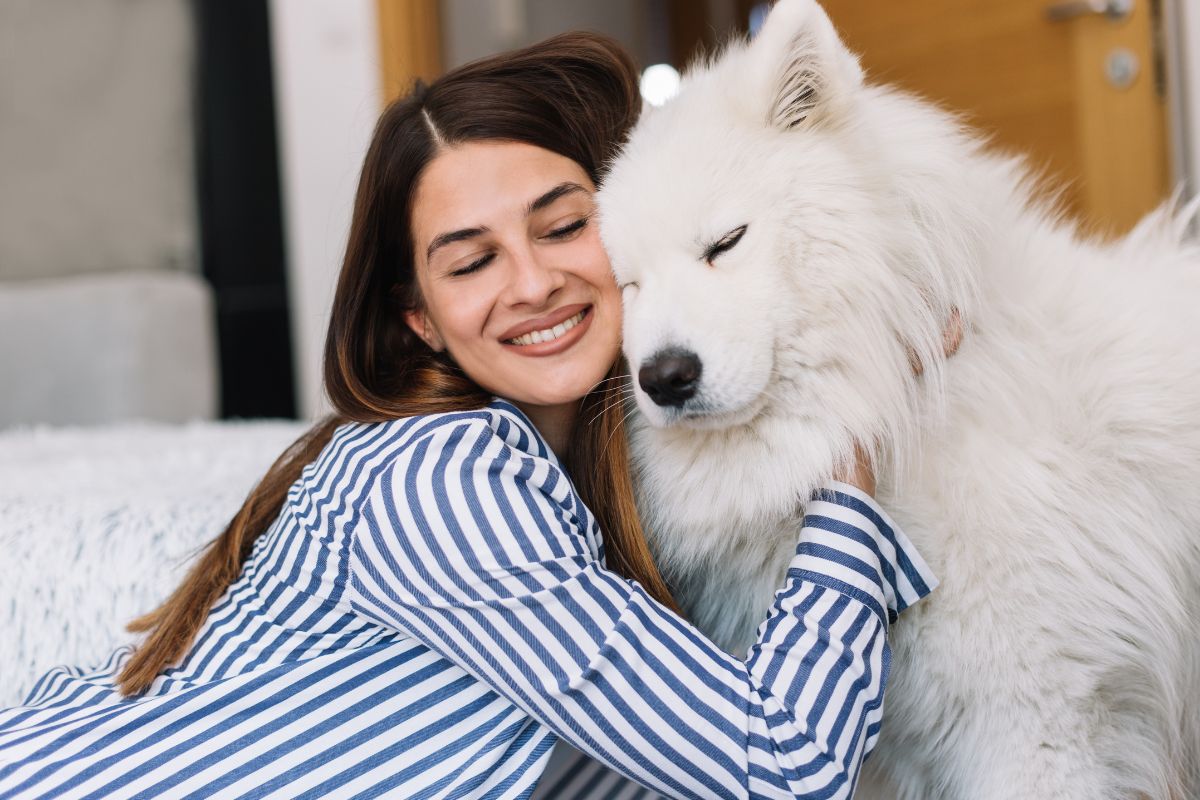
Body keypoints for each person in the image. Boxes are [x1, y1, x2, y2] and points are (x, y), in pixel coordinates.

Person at [0, 32, 937, 799]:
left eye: (565, 226)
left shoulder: (606, 482)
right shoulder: (445, 477)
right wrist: (848, 445)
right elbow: (776, 764)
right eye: (469, 260)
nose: (532, 284)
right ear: (422, 318)